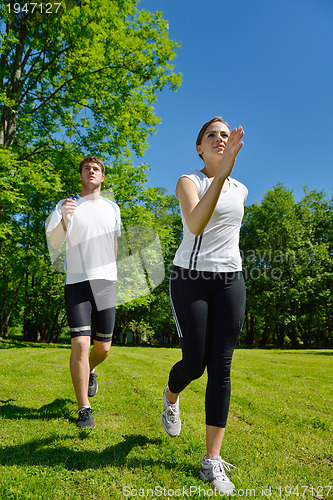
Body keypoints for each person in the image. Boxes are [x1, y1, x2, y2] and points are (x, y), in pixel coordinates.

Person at [161, 117, 247, 494]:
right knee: (195, 363)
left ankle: (212, 460)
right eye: (211, 135)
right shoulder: (189, 182)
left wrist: (227, 176)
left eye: (225, 135)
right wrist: (219, 175)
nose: (219, 139)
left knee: (222, 366)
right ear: (200, 147)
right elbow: (195, 224)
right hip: (190, 278)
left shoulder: (241, 189)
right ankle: (170, 396)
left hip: (230, 279)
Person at [46, 155, 121, 428]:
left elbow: (113, 245)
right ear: (81, 175)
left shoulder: (113, 208)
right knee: (80, 342)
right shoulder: (66, 205)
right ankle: (84, 409)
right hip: (76, 282)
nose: (92, 171)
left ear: (102, 177)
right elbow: (54, 243)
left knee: (103, 348)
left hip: (106, 283)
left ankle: (89, 370)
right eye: (87, 168)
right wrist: (65, 220)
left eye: (97, 169)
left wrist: (113, 274)